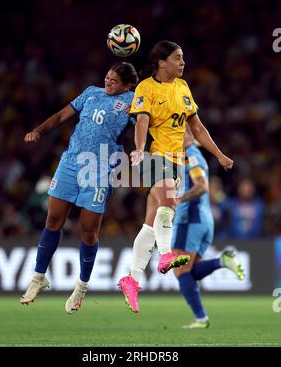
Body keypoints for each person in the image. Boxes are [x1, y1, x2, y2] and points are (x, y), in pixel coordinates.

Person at [118, 40, 234, 313]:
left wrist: (219, 154)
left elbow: (199, 128)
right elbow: (142, 122)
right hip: (154, 157)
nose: (183, 62)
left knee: (150, 225)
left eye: (183, 57)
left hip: (176, 161)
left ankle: (131, 279)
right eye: (178, 58)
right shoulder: (146, 87)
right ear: (161, 62)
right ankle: (167, 253)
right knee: (168, 205)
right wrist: (137, 150)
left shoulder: (182, 88)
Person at [20, 62, 139, 314]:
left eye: (114, 81)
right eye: (107, 77)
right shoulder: (91, 92)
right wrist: (39, 130)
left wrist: (140, 149)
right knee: (52, 220)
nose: (108, 82)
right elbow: (63, 115)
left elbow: (143, 124)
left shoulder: (133, 101)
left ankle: (81, 287)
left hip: (99, 168)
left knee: (88, 232)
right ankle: (38, 278)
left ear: (127, 86)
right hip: (71, 162)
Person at [170, 129, 244, 329]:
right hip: (204, 220)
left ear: (191, 137)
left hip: (189, 219)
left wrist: (178, 199)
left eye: (182, 133)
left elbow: (202, 186)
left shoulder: (191, 156)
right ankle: (222, 261)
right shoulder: (193, 156)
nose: (177, 135)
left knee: (180, 270)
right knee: (190, 270)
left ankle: (201, 318)